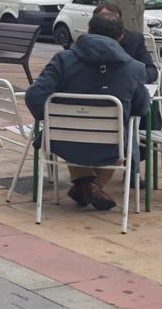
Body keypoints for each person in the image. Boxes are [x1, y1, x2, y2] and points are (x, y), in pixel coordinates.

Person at [26, 13, 151, 210]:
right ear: (120, 38)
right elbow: (142, 108)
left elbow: (35, 96)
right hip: (112, 144)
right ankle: (93, 186)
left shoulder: (63, 60)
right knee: (119, 134)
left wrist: (49, 118)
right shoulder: (134, 68)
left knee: (73, 129)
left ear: (89, 30)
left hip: (62, 140)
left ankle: (85, 186)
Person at [92, 1, 158, 84]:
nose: (108, 24)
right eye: (103, 20)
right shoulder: (86, 45)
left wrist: (132, 78)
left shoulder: (134, 39)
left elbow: (151, 71)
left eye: (113, 20)